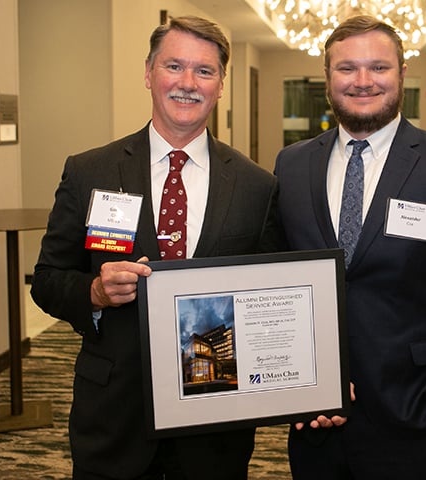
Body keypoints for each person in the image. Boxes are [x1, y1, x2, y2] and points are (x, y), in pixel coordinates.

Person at [31, 16, 282, 480]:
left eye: (204, 71)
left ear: (221, 84)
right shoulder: (90, 171)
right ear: (148, 74)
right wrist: (95, 294)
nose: (188, 83)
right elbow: (47, 280)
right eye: (174, 66)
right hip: (114, 412)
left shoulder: (256, 186)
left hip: (214, 422)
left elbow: (269, 298)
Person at [273, 15, 426, 480]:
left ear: (401, 74)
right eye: (347, 69)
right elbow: (280, 280)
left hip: (417, 412)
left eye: (378, 67)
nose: (362, 81)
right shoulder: (292, 164)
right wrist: (298, 386)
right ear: (327, 79)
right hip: (317, 416)